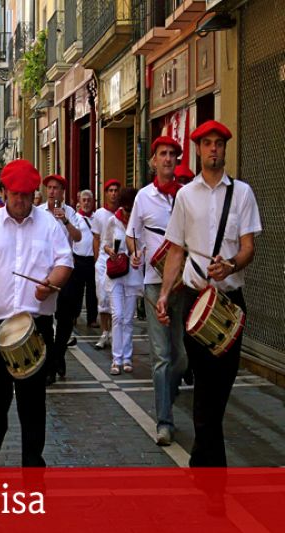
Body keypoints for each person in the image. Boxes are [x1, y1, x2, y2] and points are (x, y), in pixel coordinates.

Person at [157, 120, 262, 467]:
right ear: (199, 150)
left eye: (219, 143)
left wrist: (231, 265)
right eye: (207, 143)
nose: (214, 149)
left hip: (230, 302)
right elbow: (175, 250)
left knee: (221, 386)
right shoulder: (186, 196)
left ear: (225, 150)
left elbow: (248, 247)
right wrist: (164, 294)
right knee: (203, 384)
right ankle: (210, 471)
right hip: (194, 299)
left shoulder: (243, 193)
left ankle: (203, 459)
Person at [0, 159, 73, 467]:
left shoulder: (49, 225)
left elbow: (66, 262)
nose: (21, 200)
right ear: (3, 193)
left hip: (35, 326)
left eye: (26, 194)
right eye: (15, 194)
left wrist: (51, 284)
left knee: (33, 401)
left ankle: (32, 462)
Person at [127, 136, 189, 446]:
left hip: (184, 284)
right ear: (154, 161)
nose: (167, 159)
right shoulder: (143, 198)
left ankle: (168, 391)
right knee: (162, 356)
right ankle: (164, 421)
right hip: (153, 283)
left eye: (172, 154)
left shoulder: (187, 195)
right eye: (162, 154)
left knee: (182, 358)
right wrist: (134, 253)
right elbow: (132, 236)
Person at [39, 175, 82, 385]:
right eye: (49, 188)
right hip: (45, 270)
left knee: (65, 320)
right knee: (46, 320)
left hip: (65, 270)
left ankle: (58, 354)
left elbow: (78, 236)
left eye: (56, 188)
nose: (52, 192)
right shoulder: (38, 212)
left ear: (63, 192)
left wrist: (64, 219)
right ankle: (50, 364)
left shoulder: (71, 212)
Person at [103, 188, 142, 375]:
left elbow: (143, 246)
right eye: (125, 209)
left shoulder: (139, 223)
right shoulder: (113, 221)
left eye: (130, 209)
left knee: (128, 319)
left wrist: (138, 254)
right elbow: (105, 243)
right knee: (117, 316)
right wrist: (110, 251)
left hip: (133, 274)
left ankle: (127, 357)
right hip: (116, 273)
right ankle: (116, 359)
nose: (127, 213)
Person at [91, 179, 121, 349]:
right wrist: (97, 260)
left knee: (116, 298)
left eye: (116, 190)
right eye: (110, 190)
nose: (113, 193)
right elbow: (96, 238)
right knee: (102, 297)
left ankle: (116, 334)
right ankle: (104, 332)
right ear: (106, 193)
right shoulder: (100, 214)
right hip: (103, 260)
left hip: (119, 261)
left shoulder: (124, 213)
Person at [70, 190, 98, 331]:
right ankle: (74, 315)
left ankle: (92, 319)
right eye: (84, 200)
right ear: (79, 202)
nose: (86, 202)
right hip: (78, 258)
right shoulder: (75, 218)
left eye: (89, 200)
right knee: (77, 290)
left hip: (93, 259)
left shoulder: (96, 218)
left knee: (93, 291)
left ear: (93, 202)